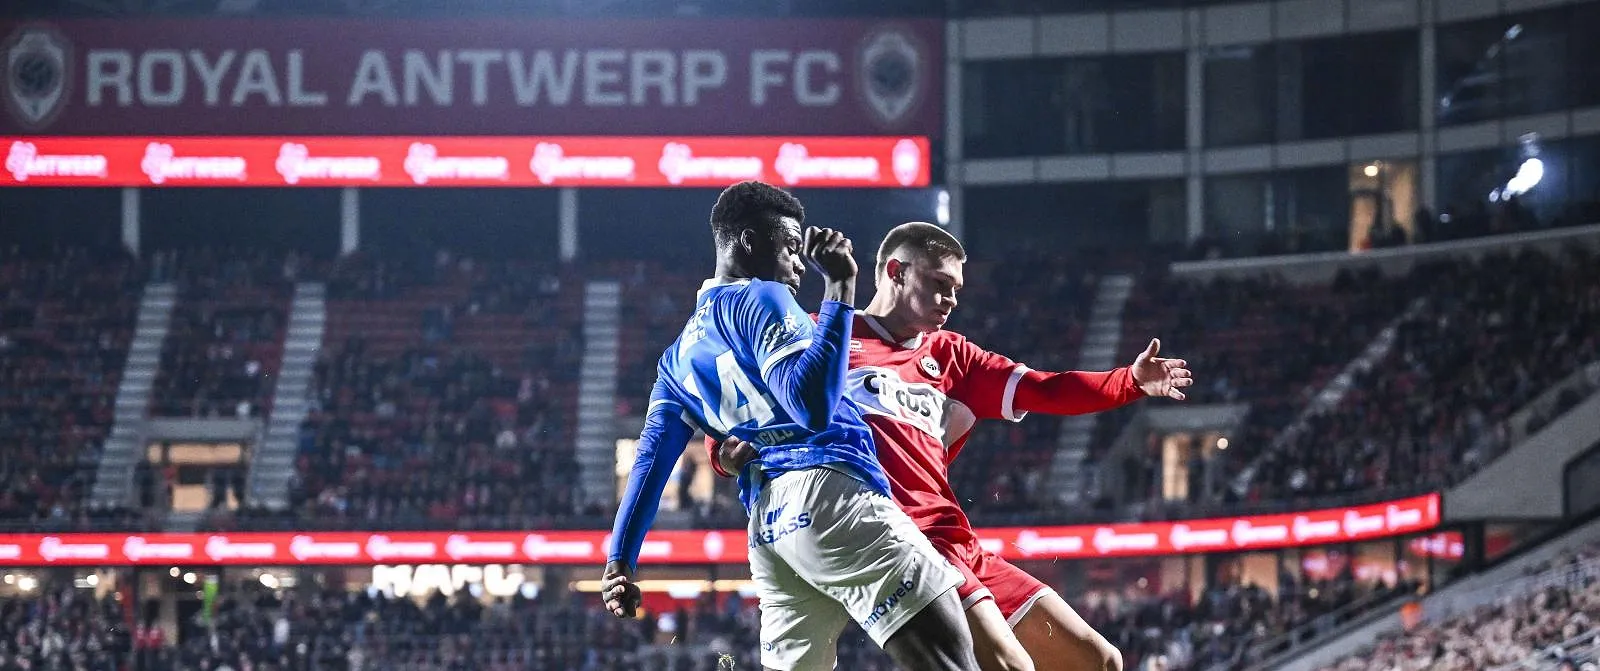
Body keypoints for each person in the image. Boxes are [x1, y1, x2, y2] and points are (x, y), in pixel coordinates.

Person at [712, 222, 1194, 671]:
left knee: (1099, 662)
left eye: (957, 291)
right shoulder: (823, 333)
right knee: (1010, 667)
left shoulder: (952, 355)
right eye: (940, 283)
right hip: (894, 539)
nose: (950, 299)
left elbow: (1045, 390)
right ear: (896, 272)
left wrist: (1128, 381)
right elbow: (738, 405)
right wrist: (722, 454)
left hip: (957, 541)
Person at [602, 183, 980, 671]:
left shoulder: (675, 360)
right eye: (790, 248)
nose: (800, 264)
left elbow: (649, 467)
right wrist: (841, 288)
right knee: (951, 658)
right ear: (748, 244)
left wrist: (620, 561)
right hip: (832, 495)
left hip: (770, 527)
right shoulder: (762, 299)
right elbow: (811, 407)